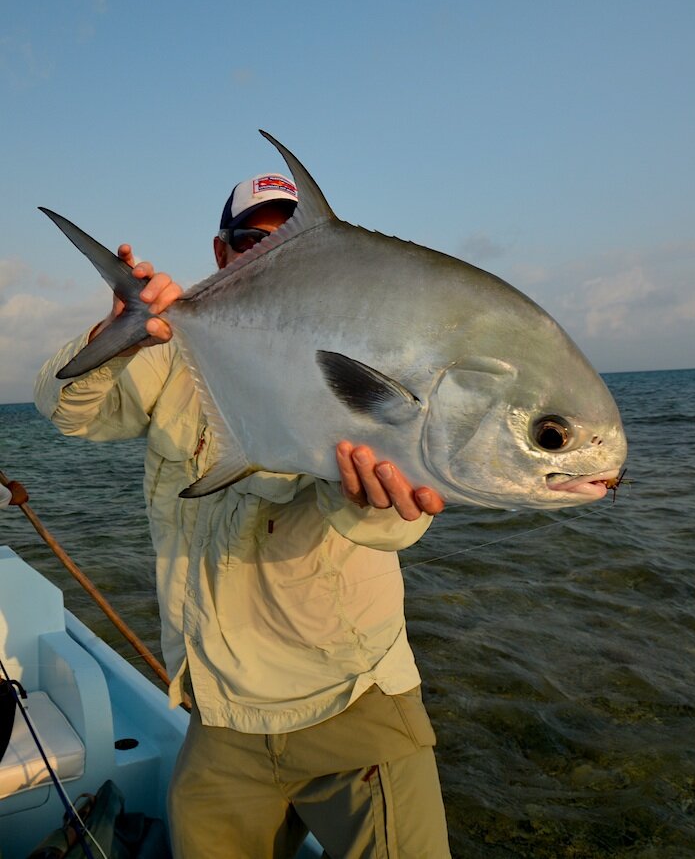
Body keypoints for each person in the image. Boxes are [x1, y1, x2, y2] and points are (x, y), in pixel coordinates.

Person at [34, 173, 451, 858]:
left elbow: (393, 525)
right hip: (221, 718)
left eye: (292, 241)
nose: (272, 254)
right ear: (221, 253)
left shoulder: (362, 347)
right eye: (254, 240)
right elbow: (64, 408)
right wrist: (118, 331)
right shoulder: (170, 349)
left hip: (352, 707)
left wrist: (379, 503)